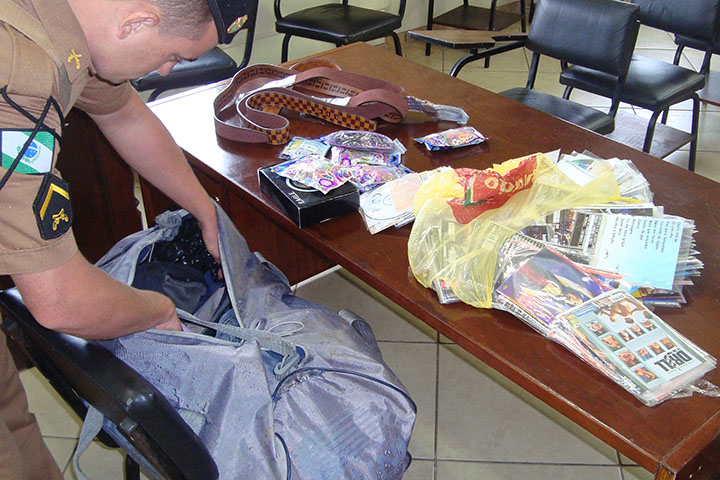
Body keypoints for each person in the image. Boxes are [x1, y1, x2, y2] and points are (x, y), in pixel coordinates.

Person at [0, 0, 247, 477]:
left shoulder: (75, 23)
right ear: (136, 22)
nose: (165, 70)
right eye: (172, 56)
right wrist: (157, 310)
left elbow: (126, 115)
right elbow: (61, 301)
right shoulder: (20, 75)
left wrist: (204, 209)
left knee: (14, 421)